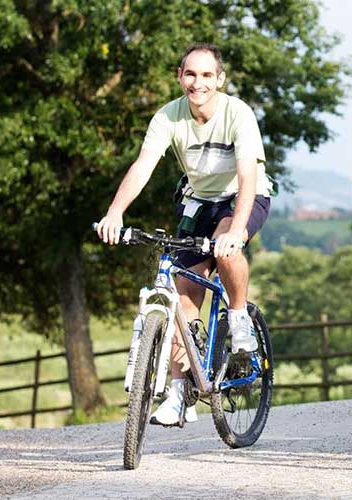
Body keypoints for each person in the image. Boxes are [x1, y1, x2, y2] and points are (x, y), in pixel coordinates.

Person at [96, 43, 273, 426]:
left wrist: (237, 230)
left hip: (244, 195)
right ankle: (179, 394)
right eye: (191, 74)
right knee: (182, 296)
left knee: (227, 250)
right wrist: (115, 212)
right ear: (180, 77)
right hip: (198, 202)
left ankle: (239, 316)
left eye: (207, 75)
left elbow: (246, 177)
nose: (198, 83)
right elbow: (143, 166)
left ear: (220, 79)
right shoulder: (168, 117)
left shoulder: (237, 113)